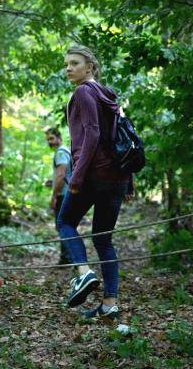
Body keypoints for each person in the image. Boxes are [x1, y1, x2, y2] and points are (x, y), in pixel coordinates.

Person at [56, 45, 133, 321]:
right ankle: (109, 304)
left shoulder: (84, 92)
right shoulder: (109, 96)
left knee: (64, 222)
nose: (68, 68)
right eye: (66, 64)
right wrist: (129, 181)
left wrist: (76, 177)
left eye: (74, 63)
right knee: (103, 238)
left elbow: (92, 134)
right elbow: (124, 137)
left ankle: (83, 273)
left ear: (89, 67)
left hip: (94, 175)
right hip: (116, 177)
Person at [45, 127, 72, 265]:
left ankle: (68, 258)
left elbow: (61, 174)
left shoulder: (61, 152)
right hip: (67, 193)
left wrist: (54, 196)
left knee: (63, 225)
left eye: (51, 138)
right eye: (48, 139)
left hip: (63, 195)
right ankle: (67, 257)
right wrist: (53, 182)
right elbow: (62, 174)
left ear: (58, 137)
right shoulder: (65, 151)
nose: (49, 142)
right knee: (65, 225)